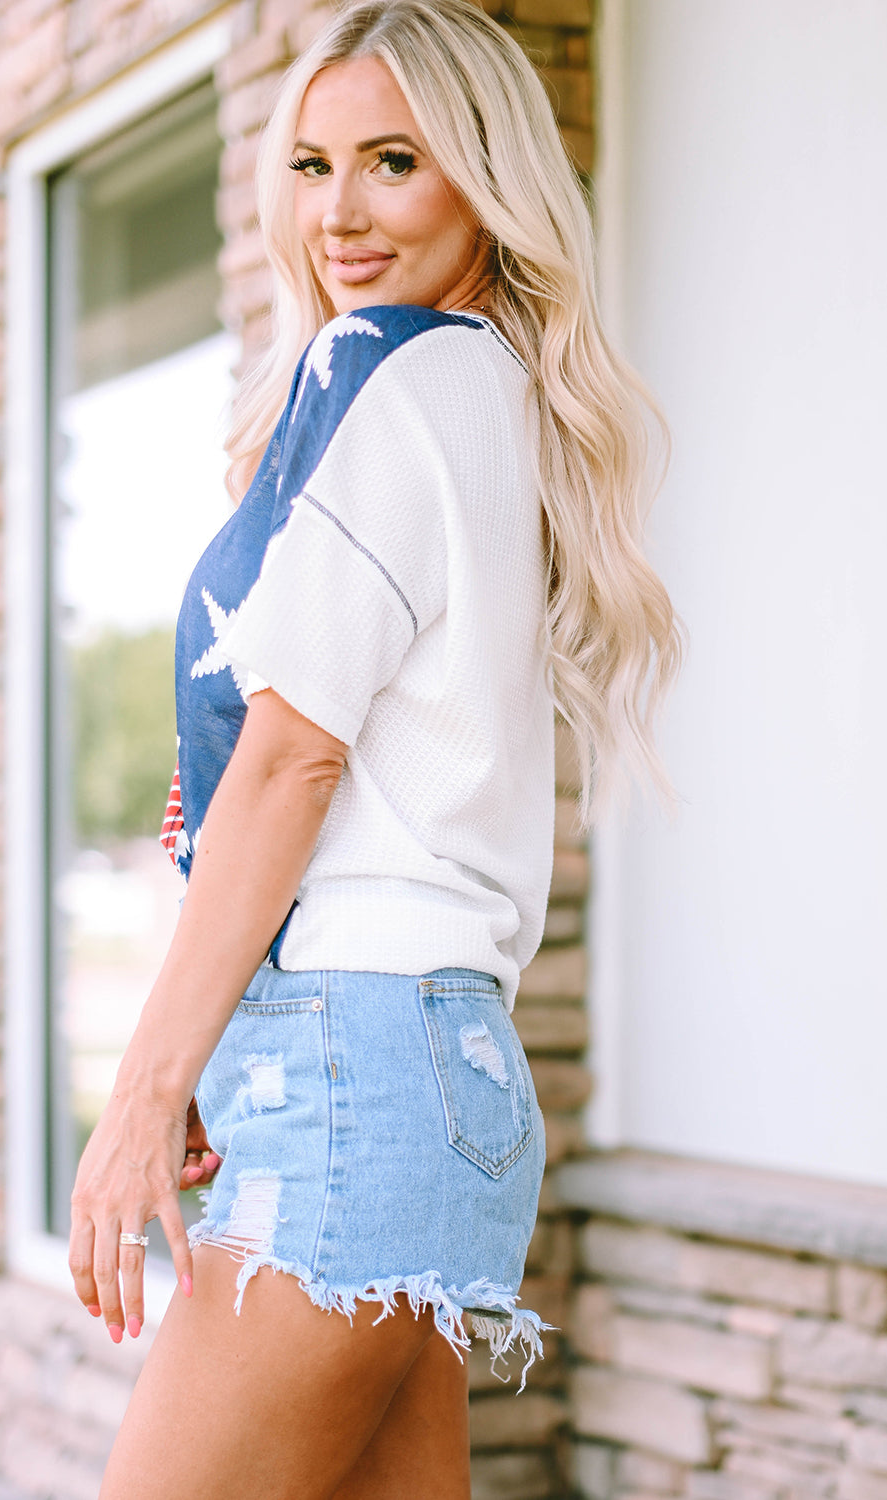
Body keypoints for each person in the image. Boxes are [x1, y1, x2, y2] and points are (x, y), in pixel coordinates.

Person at [68, 3, 682, 1496]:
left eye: (392, 161)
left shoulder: (400, 382)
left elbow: (290, 761)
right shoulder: (478, 390)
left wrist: (144, 1094)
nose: (336, 209)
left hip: (349, 1059)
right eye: (312, 163)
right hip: (427, 1068)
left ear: (481, 180)